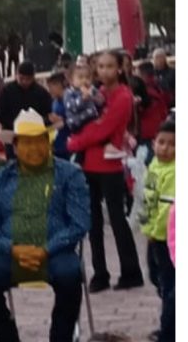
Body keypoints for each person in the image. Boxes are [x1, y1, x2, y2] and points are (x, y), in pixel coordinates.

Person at [0, 109, 91, 342]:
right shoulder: (0, 178)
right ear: (15, 147)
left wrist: (46, 249)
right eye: (26, 143)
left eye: (40, 142)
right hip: (13, 253)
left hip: (56, 252)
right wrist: (14, 249)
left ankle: (61, 338)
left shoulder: (70, 174)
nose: (34, 149)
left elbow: (80, 223)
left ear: (48, 143)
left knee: (70, 276)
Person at [67, 50, 144, 292]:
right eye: (100, 66)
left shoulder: (123, 96)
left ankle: (131, 270)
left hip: (108, 163)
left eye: (110, 66)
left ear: (120, 68)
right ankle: (100, 273)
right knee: (93, 222)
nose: (105, 71)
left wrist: (74, 143)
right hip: (89, 163)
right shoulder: (97, 93)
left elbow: (103, 129)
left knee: (117, 218)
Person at [141, 120, 175, 342]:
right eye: (161, 142)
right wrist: (145, 227)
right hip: (153, 236)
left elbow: (167, 211)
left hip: (167, 239)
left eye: (172, 144)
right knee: (157, 279)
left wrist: (155, 231)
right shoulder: (153, 165)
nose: (165, 147)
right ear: (153, 143)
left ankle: (169, 331)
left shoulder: (175, 172)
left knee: (171, 286)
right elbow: (146, 201)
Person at [0, 61, 52, 158]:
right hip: (13, 135)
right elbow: (1, 113)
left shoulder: (41, 93)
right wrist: (15, 125)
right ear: (16, 75)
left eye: (28, 79)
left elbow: (48, 114)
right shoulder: (7, 91)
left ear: (33, 77)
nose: (25, 82)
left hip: (35, 136)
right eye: (21, 78)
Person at [138, 62, 170, 165]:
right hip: (159, 126)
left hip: (147, 131)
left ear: (143, 74)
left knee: (150, 161)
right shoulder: (159, 86)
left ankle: (152, 180)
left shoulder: (144, 90)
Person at [45, 72, 71, 160]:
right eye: (49, 87)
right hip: (56, 145)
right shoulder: (54, 102)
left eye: (52, 86)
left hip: (69, 145)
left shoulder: (71, 99)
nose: (50, 90)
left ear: (61, 84)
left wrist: (63, 121)